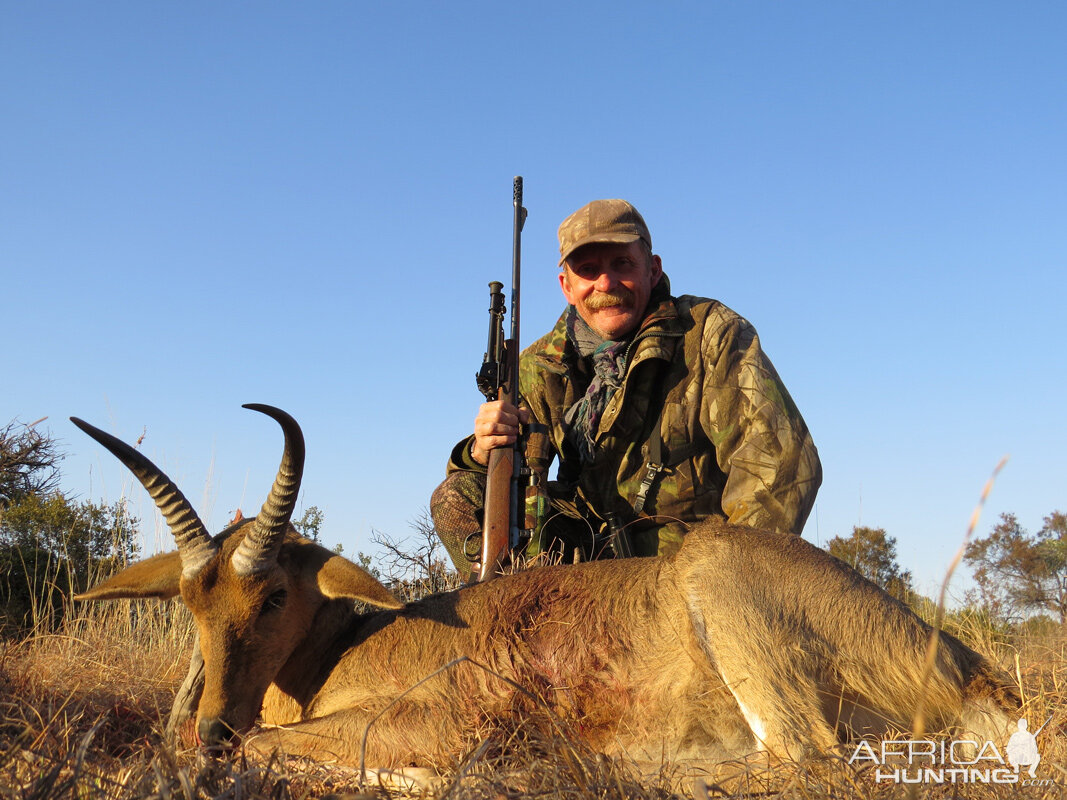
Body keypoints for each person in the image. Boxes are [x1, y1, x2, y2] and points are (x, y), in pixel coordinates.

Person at [431, 198, 821, 572]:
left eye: (622, 264)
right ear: (566, 286)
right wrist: (483, 450)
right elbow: (490, 480)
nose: (606, 283)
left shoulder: (708, 334)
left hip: (681, 577)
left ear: (652, 270)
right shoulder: (539, 367)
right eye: (587, 270)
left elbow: (781, 465)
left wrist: (728, 585)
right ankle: (513, 625)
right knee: (456, 494)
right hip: (582, 568)